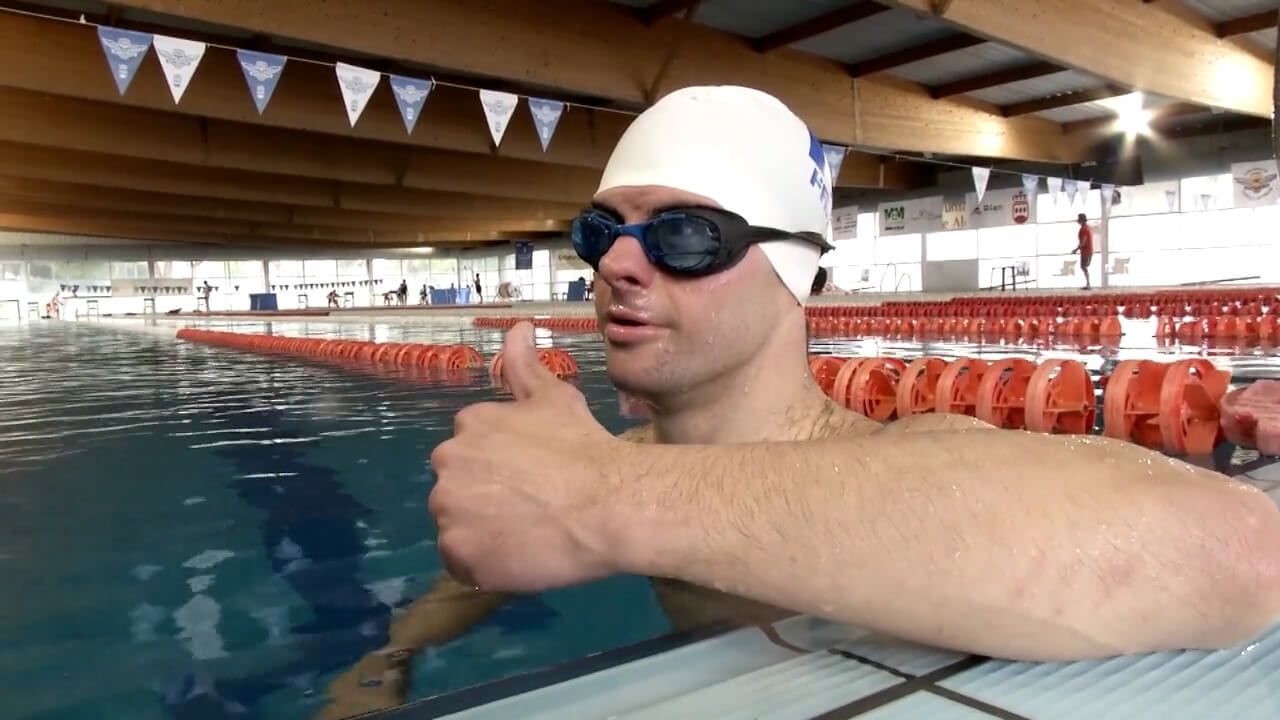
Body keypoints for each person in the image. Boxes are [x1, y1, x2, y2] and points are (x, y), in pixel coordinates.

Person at [323, 86, 1280, 716]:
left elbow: (1243, 550)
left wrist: (600, 500)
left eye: (686, 236)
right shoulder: (623, 461)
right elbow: (484, 570)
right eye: (601, 229)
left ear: (801, 278)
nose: (615, 263)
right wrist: (381, 668)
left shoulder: (913, 448)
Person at [1072, 213, 1094, 290]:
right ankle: (1088, 283)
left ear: (1081, 221)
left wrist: (1076, 249)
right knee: (1084, 267)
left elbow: (1083, 241)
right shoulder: (1087, 228)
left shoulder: (1084, 229)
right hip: (1087, 251)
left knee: (1084, 267)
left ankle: (1088, 284)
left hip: (1086, 251)